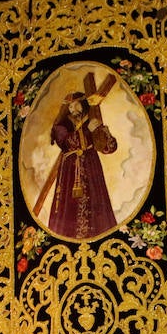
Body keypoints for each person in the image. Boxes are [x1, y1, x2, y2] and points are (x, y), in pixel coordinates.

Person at [40, 73, 120, 240]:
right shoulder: (62, 125)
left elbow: (108, 148)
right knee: (69, 205)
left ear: (83, 104)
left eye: (76, 105)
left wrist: (103, 131)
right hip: (70, 169)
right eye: (70, 107)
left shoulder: (91, 120)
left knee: (95, 199)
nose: (73, 109)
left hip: (91, 165)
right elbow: (66, 143)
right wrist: (88, 130)